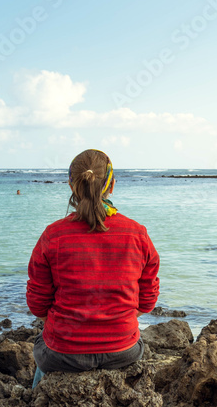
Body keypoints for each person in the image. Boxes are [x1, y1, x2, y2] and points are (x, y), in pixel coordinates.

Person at [26, 148, 160, 388]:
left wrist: (67, 329)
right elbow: (147, 301)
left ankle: (37, 404)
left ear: (71, 186)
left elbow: (37, 305)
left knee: (43, 350)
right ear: (112, 185)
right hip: (123, 350)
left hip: (64, 353)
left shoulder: (53, 235)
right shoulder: (137, 234)